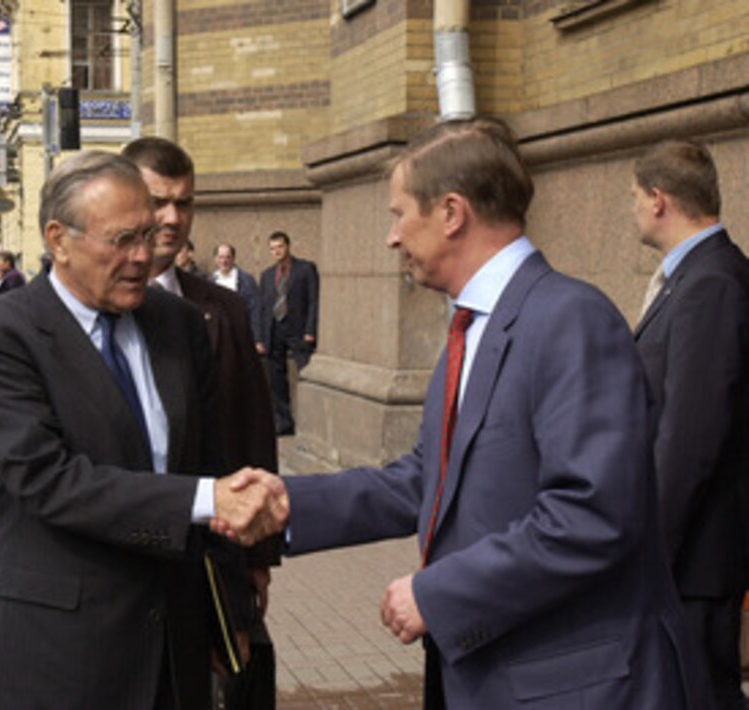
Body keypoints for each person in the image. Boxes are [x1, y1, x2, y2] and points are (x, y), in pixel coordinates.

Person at [214, 119, 711, 709]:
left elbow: (593, 513)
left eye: (399, 214)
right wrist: (291, 504)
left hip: (573, 685)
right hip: (496, 674)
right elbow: (431, 477)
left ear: (452, 212)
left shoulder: (569, 319)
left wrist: (439, 594)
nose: (392, 238)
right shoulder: (475, 325)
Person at [0, 151, 264, 710]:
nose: (143, 256)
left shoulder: (180, 324)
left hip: (177, 645)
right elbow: (49, 480)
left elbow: (211, 464)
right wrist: (202, 498)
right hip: (63, 655)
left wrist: (230, 613)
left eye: (148, 235)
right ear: (58, 239)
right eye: (121, 240)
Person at [123, 137, 280, 708]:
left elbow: (251, 433)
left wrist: (259, 557)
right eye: (157, 200)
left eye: (184, 203)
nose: (171, 218)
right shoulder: (75, 311)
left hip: (208, 561)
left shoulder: (223, 308)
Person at [631, 139, 749, 710]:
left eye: (634, 196)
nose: (632, 208)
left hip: (696, 560)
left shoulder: (711, 283)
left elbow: (690, 437)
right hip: (692, 555)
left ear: (658, 200)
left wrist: (650, 548)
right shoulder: (695, 277)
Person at [257, 230, 319, 435]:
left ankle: (312, 422)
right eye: (272, 248)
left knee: (306, 372)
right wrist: (260, 337)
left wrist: (310, 330)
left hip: (298, 330)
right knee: (276, 380)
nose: (276, 252)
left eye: (280, 247)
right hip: (273, 329)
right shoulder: (266, 275)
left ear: (288, 247)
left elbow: (313, 301)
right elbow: (261, 307)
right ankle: (283, 422)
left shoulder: (305, 269)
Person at [212, 242, 262, 343]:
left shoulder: (247, 280)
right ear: (215, 259)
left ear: (233, 258)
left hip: (241, 333)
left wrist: (257, 339)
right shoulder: (210, 282)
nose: (224, 261)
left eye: (227, 257)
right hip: (220, 336)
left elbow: (255, 310)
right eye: (221, 257)